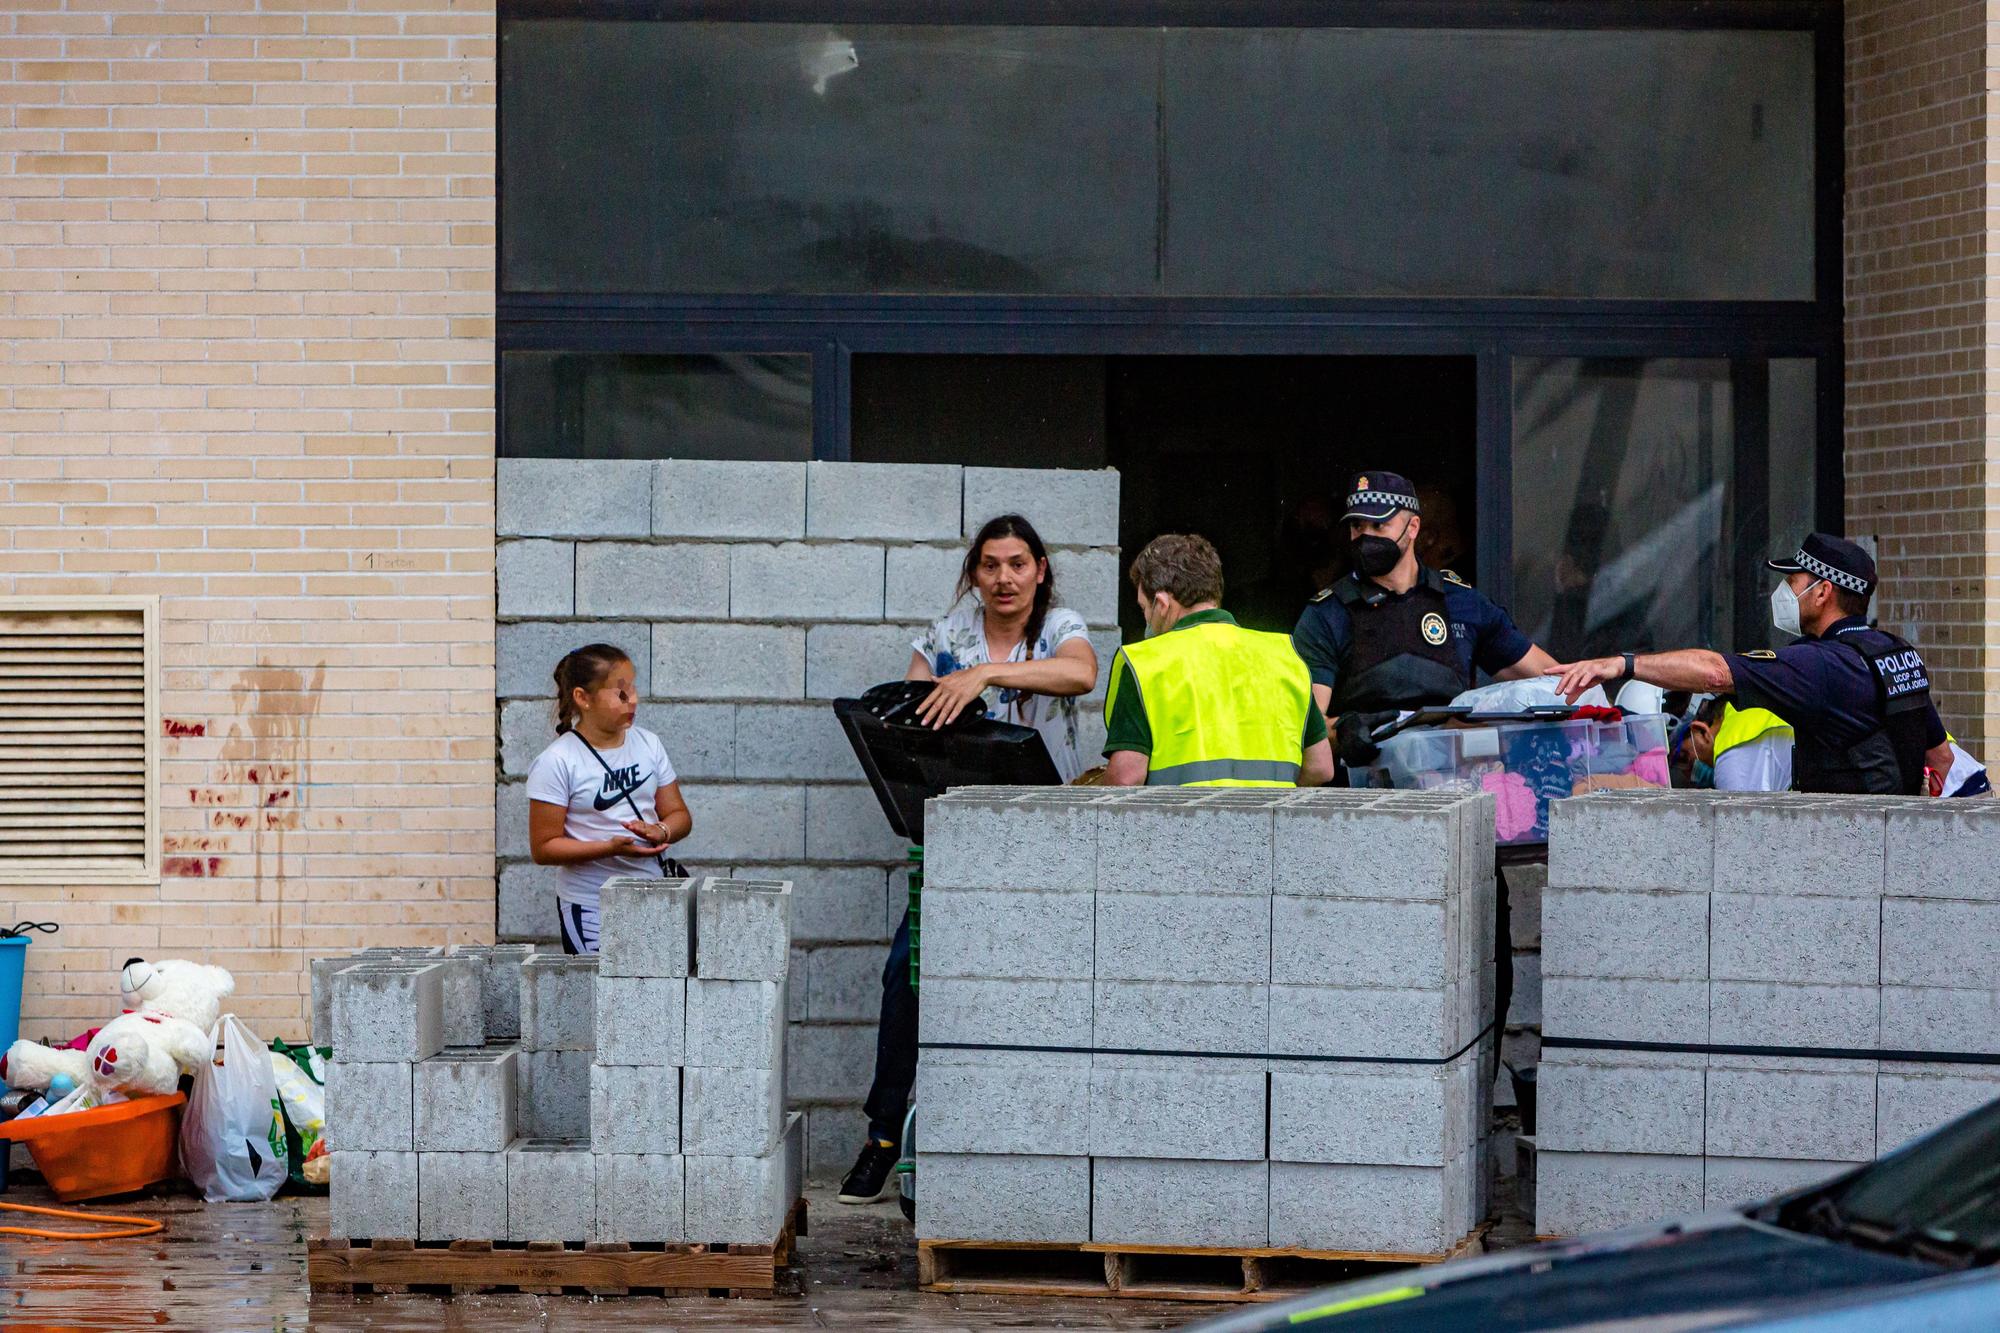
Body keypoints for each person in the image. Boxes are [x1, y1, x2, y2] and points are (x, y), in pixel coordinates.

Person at [838, 514, 1099, 1206]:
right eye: (990, 564)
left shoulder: (1060, 628)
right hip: (957, 841)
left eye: (1018, 563)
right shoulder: (945, 634)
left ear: (1040, 569)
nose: (1004, 577)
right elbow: (908, 708)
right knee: (907, 974)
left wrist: (986, 673)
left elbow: (1080, 673)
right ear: (974, 573)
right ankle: (885, 1136)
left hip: (1046, 840)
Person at [1552, 533, 1953, 795]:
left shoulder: (1821, 665)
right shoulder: (1895, 652)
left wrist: (1622, 665)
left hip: (1848, 843)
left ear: (1823, 592)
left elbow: (1714, 672)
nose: (1783, 592)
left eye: (1793, 582)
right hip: (1894, 834)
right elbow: (1940, 759)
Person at [1292, 471, 1560, 773]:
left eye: (1379, 525)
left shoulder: (1461, 602)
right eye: (1357, 526)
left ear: (1413, 527)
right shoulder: (1327, 613)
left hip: (1456, 788)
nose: (1366, 536)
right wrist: (1342, 732)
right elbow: (1301, 727)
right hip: (1366, 795)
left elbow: (1552, 685)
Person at [1102, 533, 1334, 788]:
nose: (1145, 618)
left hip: (1180, 826)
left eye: (1144, 607)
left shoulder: (1144, 664)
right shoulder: (1285, 657)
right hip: (1269, 826)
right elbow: (1320, 767)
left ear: (1161, 604)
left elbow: (1125, 778)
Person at [525, 644, 693, 954]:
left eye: (633, 688)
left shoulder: (649, 744)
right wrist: (608, 848)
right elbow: (543, 848)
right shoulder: (557, 761)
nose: (634, 700)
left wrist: (662, 830)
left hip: (652, 897)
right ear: (582, 698)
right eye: (620, 693)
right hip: (591, 906)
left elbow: (679, 815)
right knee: (602, 997)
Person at [1678, 694, 1795, 792]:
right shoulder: (1749, 706)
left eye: (1683, 758)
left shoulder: (1730, 757)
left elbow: (1748, 818)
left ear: (1701, 731)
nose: (1686, 773)